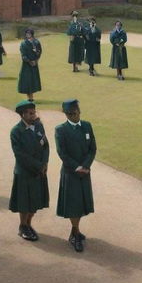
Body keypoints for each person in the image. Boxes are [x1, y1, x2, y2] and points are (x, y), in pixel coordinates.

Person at [55, 99, 97, 252]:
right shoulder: (61, 130)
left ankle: (75, 231)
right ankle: (75, 233)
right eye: (70, 113)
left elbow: (92, 148)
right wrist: (77, 167)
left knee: (82, 203)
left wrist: (86, 165)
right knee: (73, 205)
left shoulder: (87, 126)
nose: (74, 115)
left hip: (84, 172)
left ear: (80, 110)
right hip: (71, 173)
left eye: (76, 112)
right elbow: (62, 153)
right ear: (66, 114)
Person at [9, 100, 49, 242]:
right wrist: (39, 166)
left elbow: (46, 146)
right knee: (24, 203)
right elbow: (20, 155)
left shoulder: (39, 126)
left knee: (36, 201)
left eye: (34, 112)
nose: (34, 115)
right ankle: (23, 226)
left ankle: (28, 224)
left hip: (39, 171)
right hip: (25, 172)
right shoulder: (16, 131)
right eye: (30, 113)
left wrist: (45, 164)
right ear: (23, 114)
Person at [18, 28, 42, 101]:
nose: (28, 35)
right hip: (27, 65)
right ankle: (30, 97)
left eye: (29, 33)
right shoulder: (24, 43)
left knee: (33, 80)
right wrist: (30, 61)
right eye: (27, 33)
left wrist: (36, 60)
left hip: (34, 64)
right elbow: (23, 55)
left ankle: (31, 96)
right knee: (27, 80)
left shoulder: (36, 42)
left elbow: (39, 51)